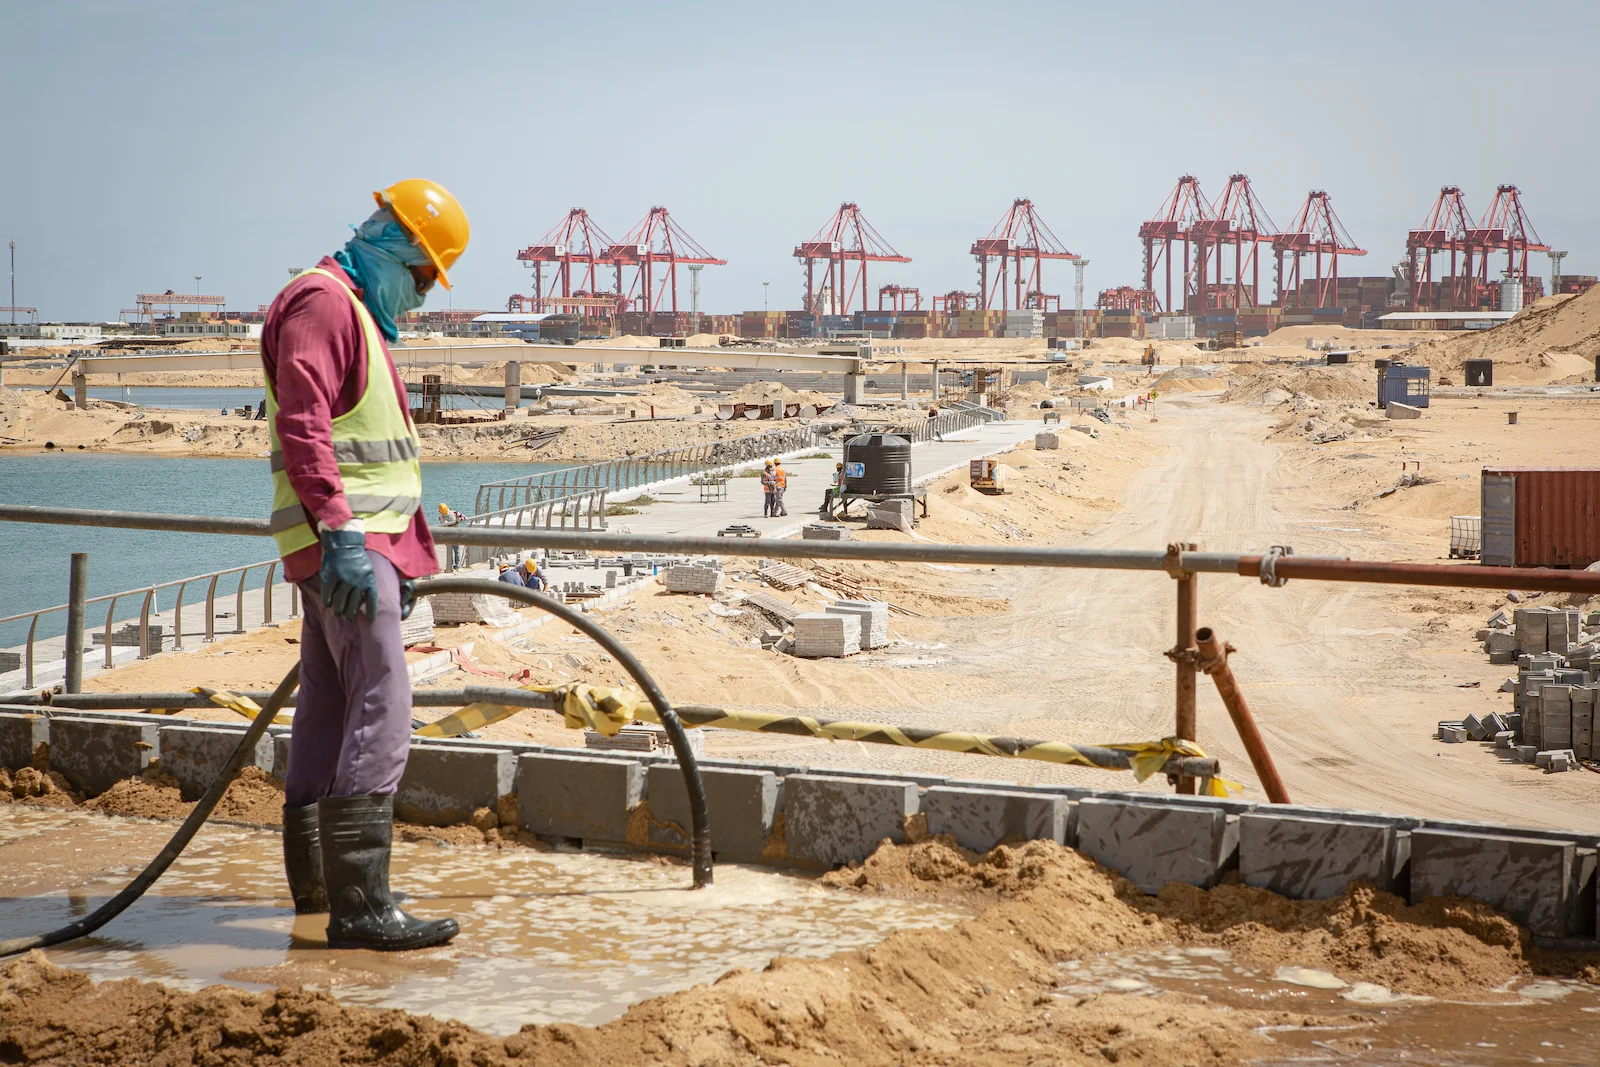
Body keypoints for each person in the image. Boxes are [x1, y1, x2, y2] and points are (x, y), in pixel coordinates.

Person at [263, 178, 469, 952]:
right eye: (421, 277)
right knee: (384, 706)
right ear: (399, 245)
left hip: (354, 546)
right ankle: (361, 906)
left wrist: (395, 550)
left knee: (327, 705)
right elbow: (305, 420)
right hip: (347, 546)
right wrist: (345, 536)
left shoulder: (345, 309)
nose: (418, 297)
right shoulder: (325, 303)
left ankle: (325, 887)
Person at [437, 502, 465, 571]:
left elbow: (464, 517)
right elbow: (444, 526)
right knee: (451, 552)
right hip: (448, 536)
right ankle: (451, 566)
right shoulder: (441, 518)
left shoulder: (455, 513)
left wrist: (458, 520)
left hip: (455, 535)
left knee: (456, 551)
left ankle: (456, 565)